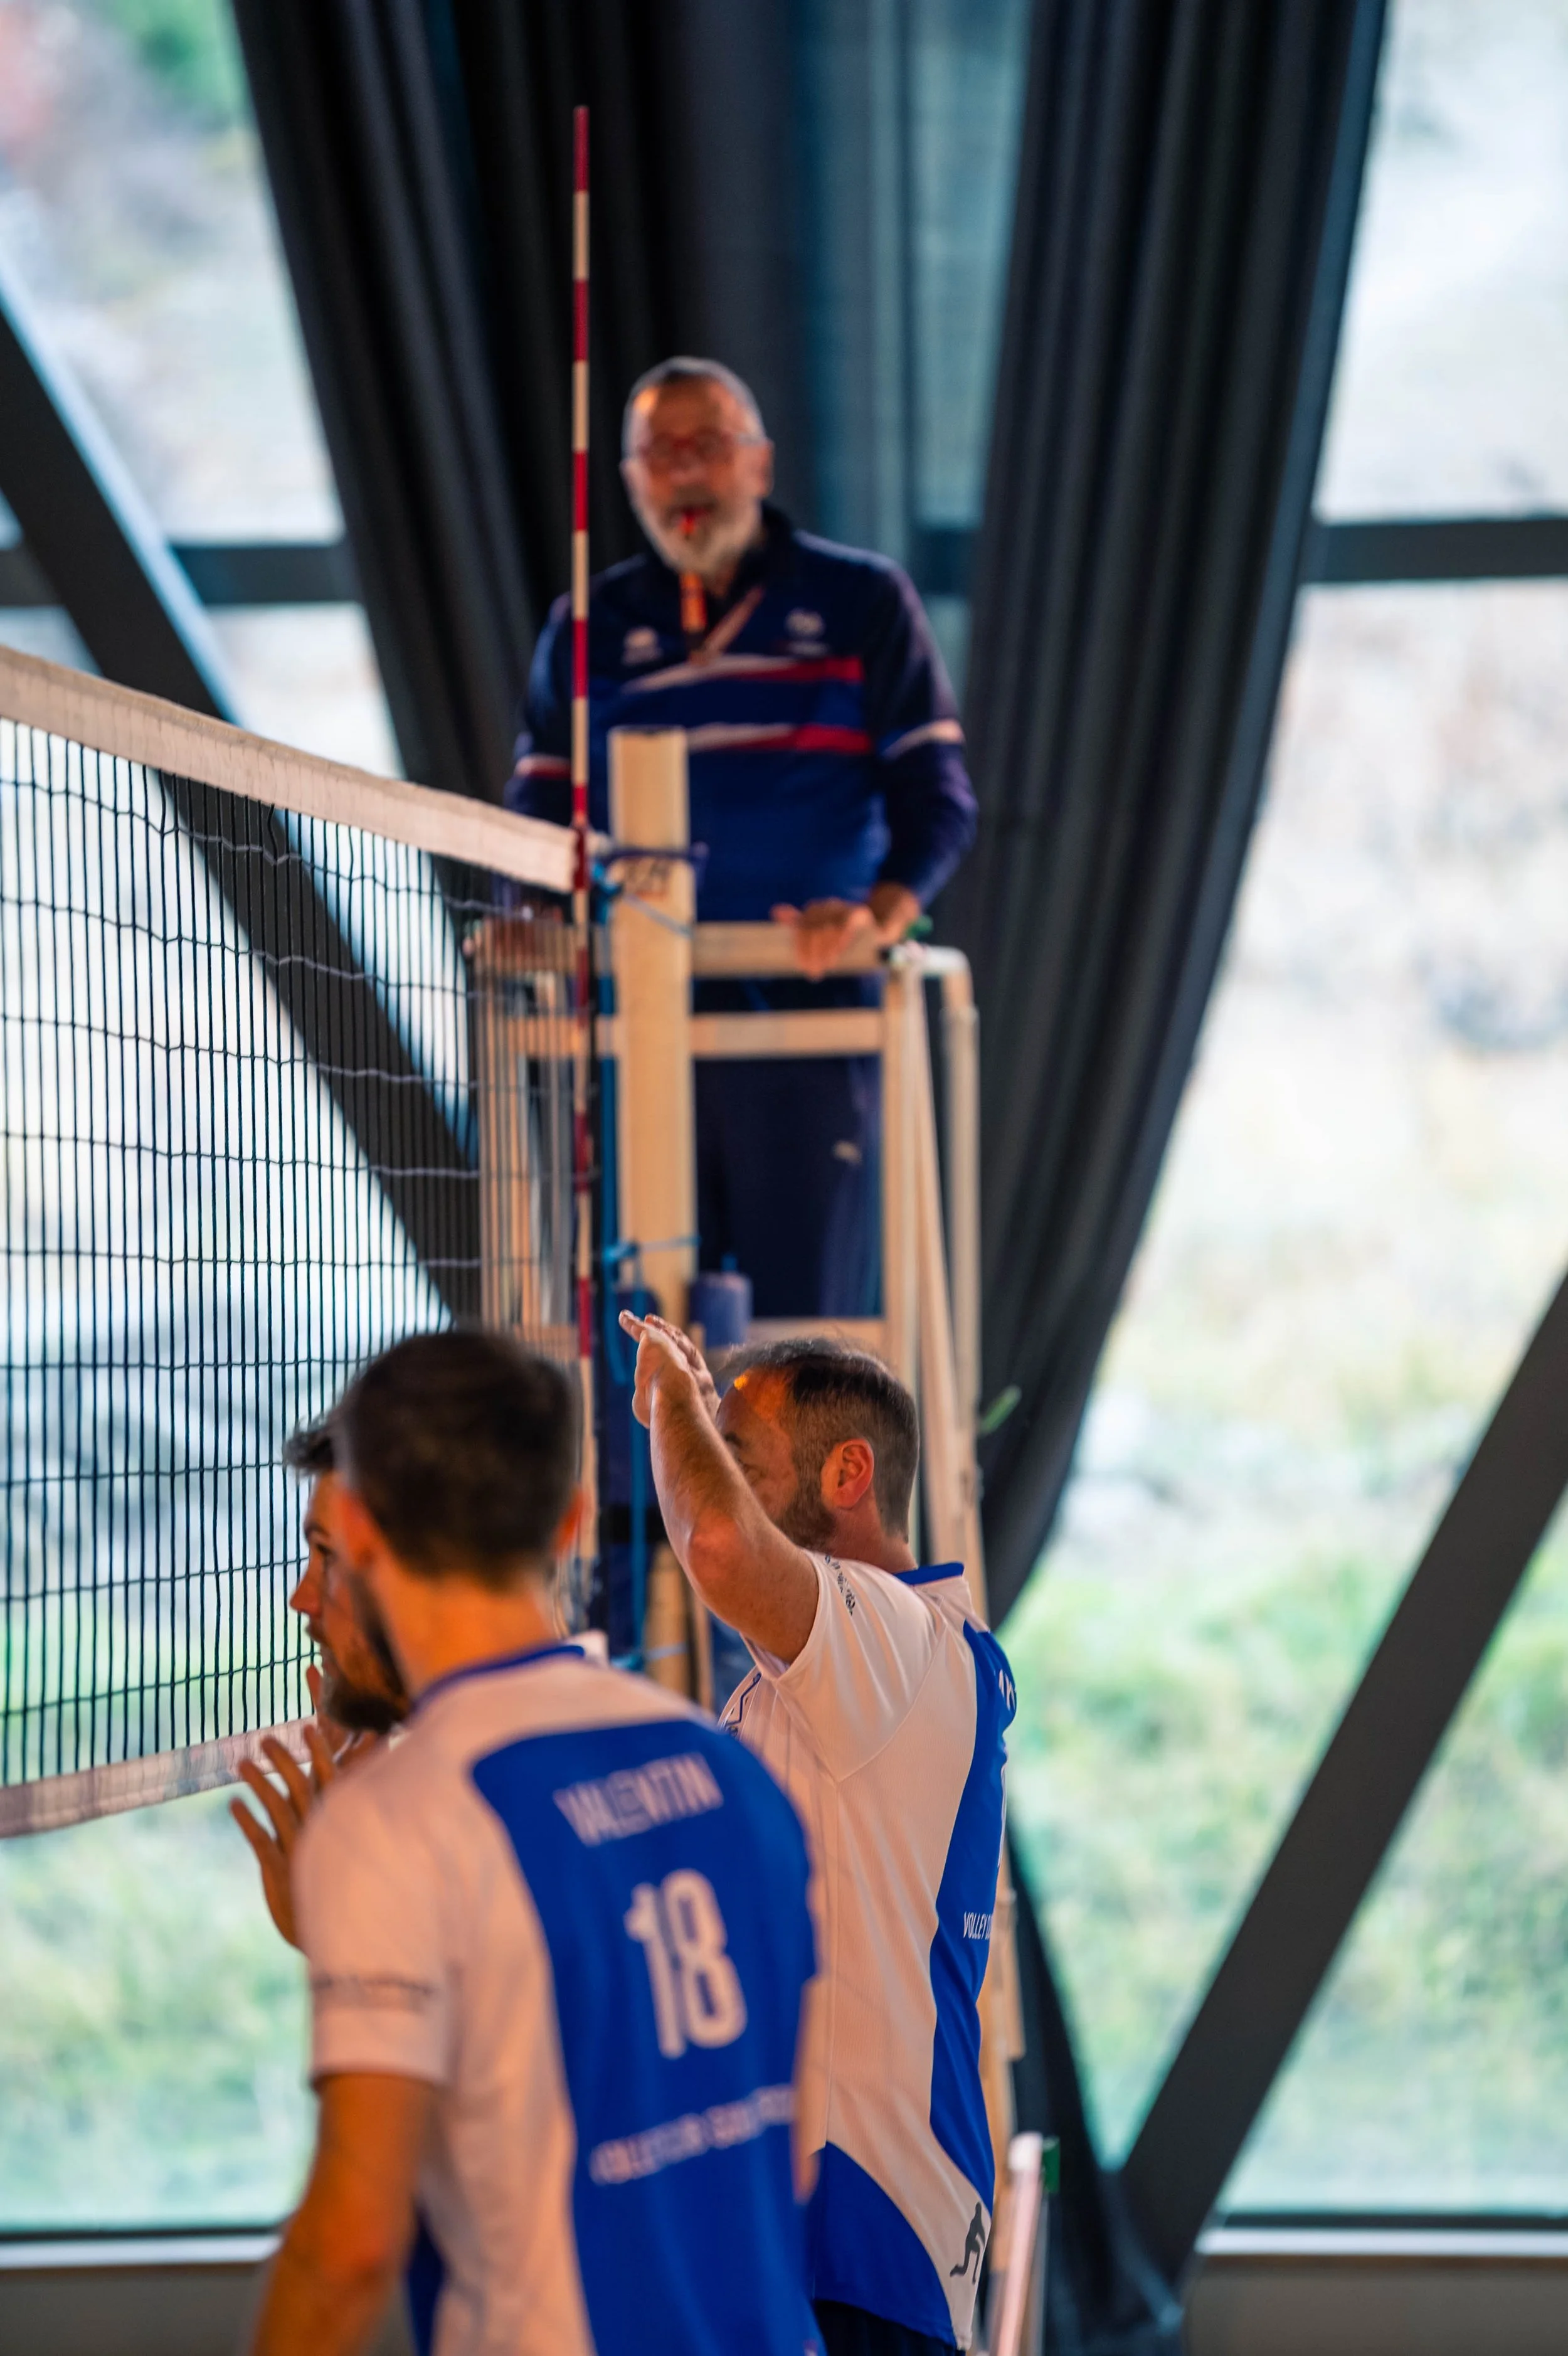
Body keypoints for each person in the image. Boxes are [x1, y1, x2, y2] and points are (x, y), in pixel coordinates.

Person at [246, 1330, 823, 2356]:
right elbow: (790, 2159)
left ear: (367, 1532)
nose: (306, 1600)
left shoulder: (400, 1823)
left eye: (324, 1557)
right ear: (566, 1523)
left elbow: (349, 2252)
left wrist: (357, 1926)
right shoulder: (731, 1769)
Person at [505, 356, 977, 1319]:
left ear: (759, 465)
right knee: (642, 1330)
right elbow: (539, 813)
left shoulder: (863, 601)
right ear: (631, 478)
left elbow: (939, 796)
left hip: (807, 1005)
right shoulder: (584, 629)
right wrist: (531, 922)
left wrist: (878, 915)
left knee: (800, 1333)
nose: (685, 474)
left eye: (707, 447)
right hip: (633, 1014)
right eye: (658, 453)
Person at [621, 1312, 1017, 2356]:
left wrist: (670, 1399)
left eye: (737, 1455)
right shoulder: (814, 1685)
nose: (715, 1477)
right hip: (814, 2227)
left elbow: (716, 1546)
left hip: (866, 2229)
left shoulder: (895, 1638)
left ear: (849, 1474)